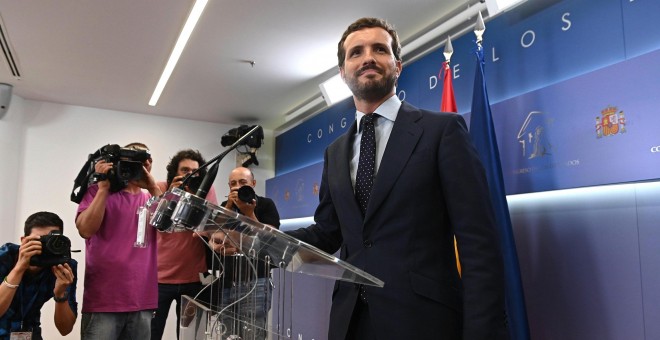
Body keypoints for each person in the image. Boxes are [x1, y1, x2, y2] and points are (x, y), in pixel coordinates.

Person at [285, 18, 508, 339]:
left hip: (424, 321)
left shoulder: (442, 131)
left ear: (398, 65)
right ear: (343, 73)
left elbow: (479, 243)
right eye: (356, 52)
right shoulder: (334, 152)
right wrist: (257, 237)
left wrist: (482, 331)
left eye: (379, 49)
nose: (368, 58)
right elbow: (329, 232)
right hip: (350, 322)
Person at [75, 142, 162, 340]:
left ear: (149, 164)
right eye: (129, 161)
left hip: (142, 300)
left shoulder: (152, 199)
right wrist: (103, 188)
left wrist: (152, 187)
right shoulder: (97, 192)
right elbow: (85, 230)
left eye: (141, 161)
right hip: (104, 300)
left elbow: (170, 228)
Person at [151, 149, 219, 340]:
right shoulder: (160, 188)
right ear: (175, 172)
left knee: (191, 336)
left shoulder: (205, 191)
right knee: (151, 333)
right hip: (159, 279)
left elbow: (209, 226)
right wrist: (173, 194)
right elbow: (153, 222)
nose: (190, 175)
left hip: (193, 280)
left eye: (195, 171)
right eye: (184, 170)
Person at [206, 166, 280, 340]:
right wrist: (230, 206)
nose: (237, 187)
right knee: (226, 334)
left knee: (252, 335)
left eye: (242, 182)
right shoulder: (226, 207)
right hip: (227, 282)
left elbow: (269, 237)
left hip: (256, 282)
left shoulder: (266, 204)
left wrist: (250, 213)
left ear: (253, 184)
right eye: (233, 184)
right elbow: (215, 233)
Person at [0, 211, 77, 340]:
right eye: (38, 240)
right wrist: (19, 268)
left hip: (30, 333)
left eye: (50, 241)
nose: (44, 247)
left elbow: (65, 329)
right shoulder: (5, 257)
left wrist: (60, 295)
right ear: (23, 241)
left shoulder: (63, 265)